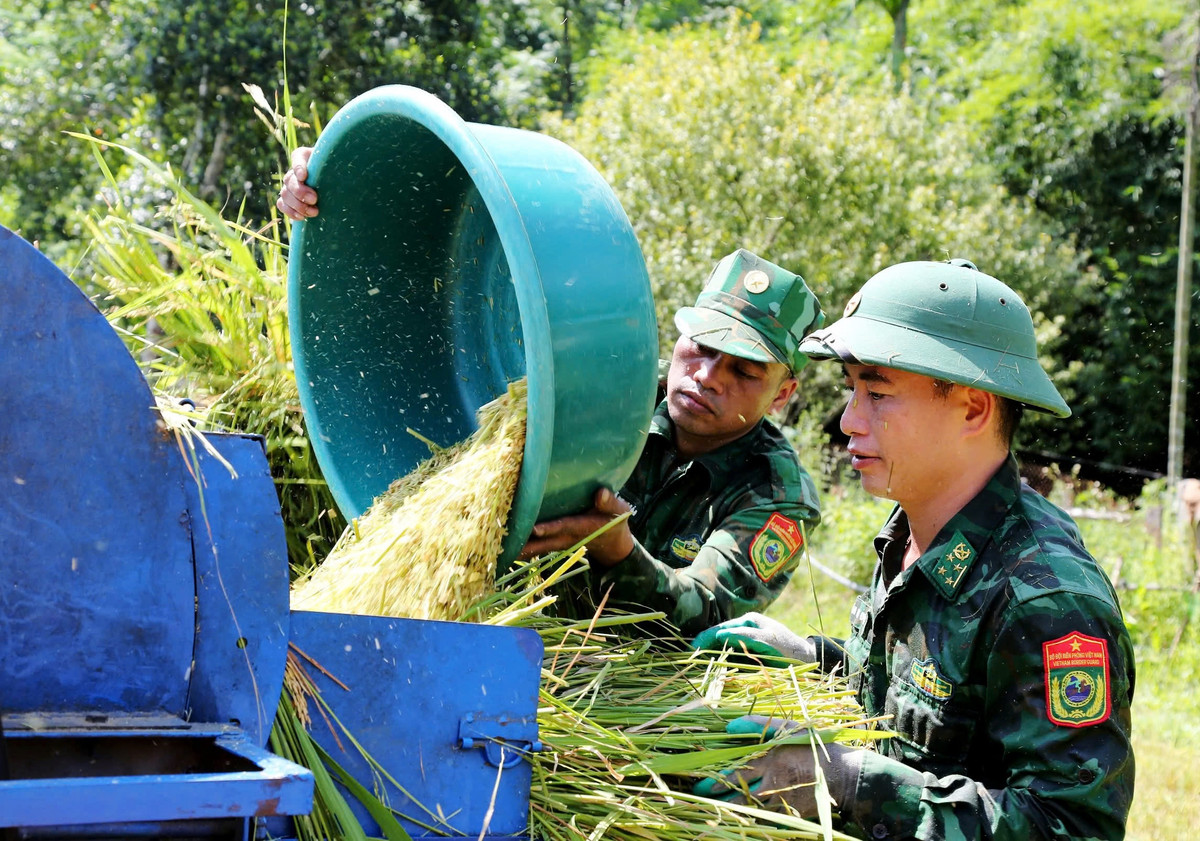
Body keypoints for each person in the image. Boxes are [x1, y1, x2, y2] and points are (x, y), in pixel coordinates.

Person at [277, 149, 825, 635]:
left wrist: (617, 550)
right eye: (700, 348)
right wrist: (342, 193)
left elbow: (706, 613)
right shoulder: (615, 388)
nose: (707, 376)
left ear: (782, 394)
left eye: (745, 372)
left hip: (628, 684)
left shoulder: (776, 493)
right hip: (494, 620)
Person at [692, 258, 1136, 840]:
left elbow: (1075, 827)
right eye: (852, 389)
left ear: (974, 408)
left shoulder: (1047, 598)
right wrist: (815, 660)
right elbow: (918, 704)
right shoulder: (914, 530)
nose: (849, 420)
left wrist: (849, 783)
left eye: (877, 391)